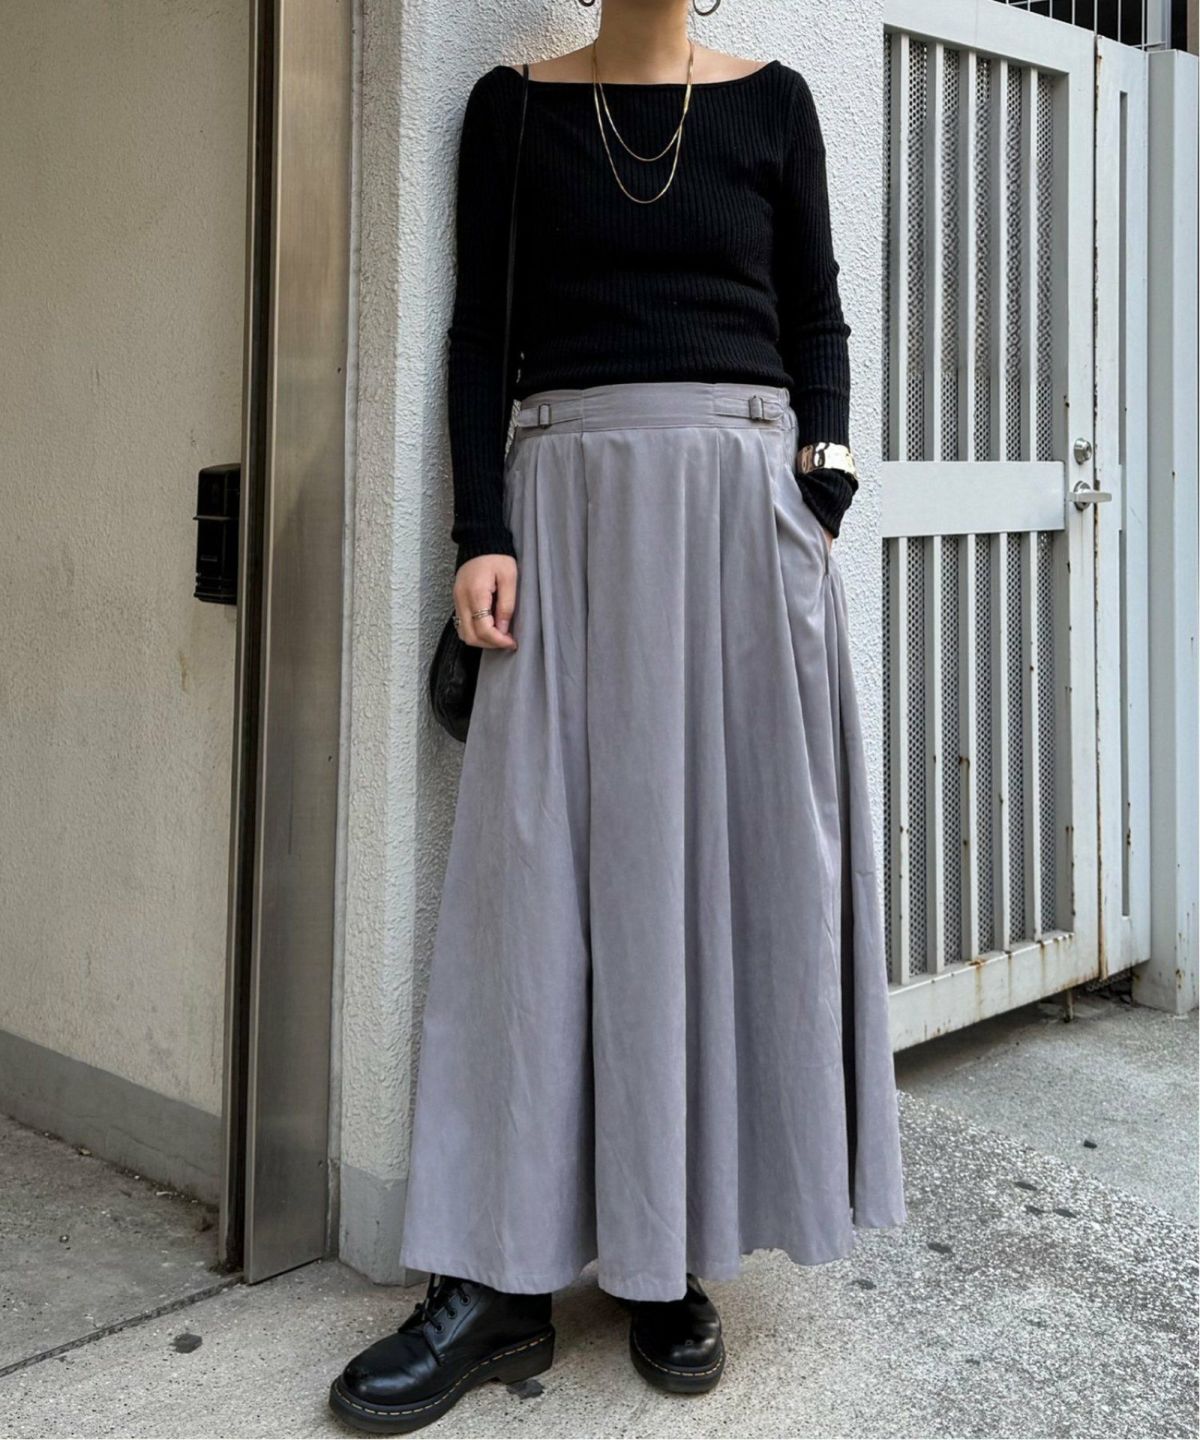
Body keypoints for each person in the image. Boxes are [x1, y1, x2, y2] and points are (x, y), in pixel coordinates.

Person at [330, 3, 906, 1433]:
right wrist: (480, 529)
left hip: (740, 527)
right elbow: (482, 333)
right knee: (528, 886)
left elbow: (817, 313)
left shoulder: (774, 103)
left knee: (708, 891)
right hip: (566, 514)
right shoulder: (513, 110)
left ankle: (670, 1252)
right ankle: (497, 1280)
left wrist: (820, 490)